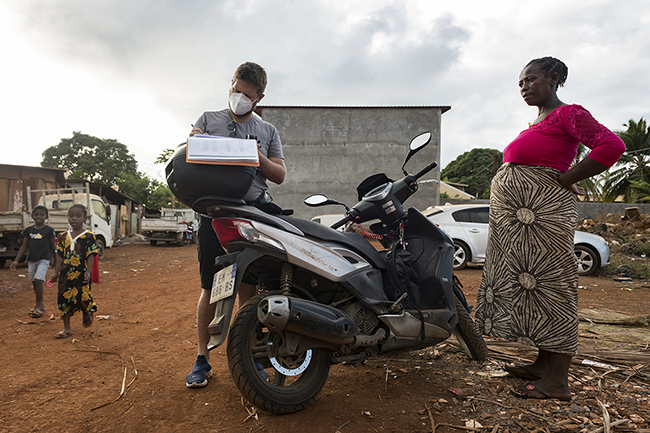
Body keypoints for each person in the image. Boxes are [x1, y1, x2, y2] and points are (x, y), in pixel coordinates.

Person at [475, 57, 625, 401]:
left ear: (554, 79)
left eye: (530, 80)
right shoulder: (538, 121)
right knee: (534, 287)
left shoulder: (569, 113)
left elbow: (612, 146)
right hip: (521, 223)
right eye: (520, 83)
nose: (524, 87)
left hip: (543, 217)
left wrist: (566, 178)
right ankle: (543, 364)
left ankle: (558, 381)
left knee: (555, 286)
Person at [185, 62, 286, 388]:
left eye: (247, 94)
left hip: (253, 215)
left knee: (248, 288)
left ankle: (250, 358)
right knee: (210, 289)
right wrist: (194, 143)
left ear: (259, 98)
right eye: (235, 89)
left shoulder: (267, 131)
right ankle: (202, 358)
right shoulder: (207, 120)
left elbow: (280, 175)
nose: (238, 97)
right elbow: (189, 159)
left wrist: (259, 157)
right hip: (214, 215)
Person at [50, 204, 99, 339]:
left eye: (78, 216)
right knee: (63, 299)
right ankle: (67, 328)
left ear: (85, 218)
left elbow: (90, 255)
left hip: (81, 273)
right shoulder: (64, 236)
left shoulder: (89, 236)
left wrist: (88, 272)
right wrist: (56, 272)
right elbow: (60, 255)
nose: (74, 219)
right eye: (71, 216)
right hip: (65, 275)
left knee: (83, 297)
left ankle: (86, 312)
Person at [10, 205, 56, 318]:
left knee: (38, 279)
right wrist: (16, 261)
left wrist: (54, 259)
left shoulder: (49, 230)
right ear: (32, 216)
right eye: (36, 214)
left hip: (44, 259)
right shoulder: (28, 230)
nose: (39, 217)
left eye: (42, 215)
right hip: (31, 259)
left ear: (46, 216)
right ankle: (41, 303)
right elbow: (23, 246)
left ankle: (38, 306)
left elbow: (53, 246)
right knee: (34, 282)